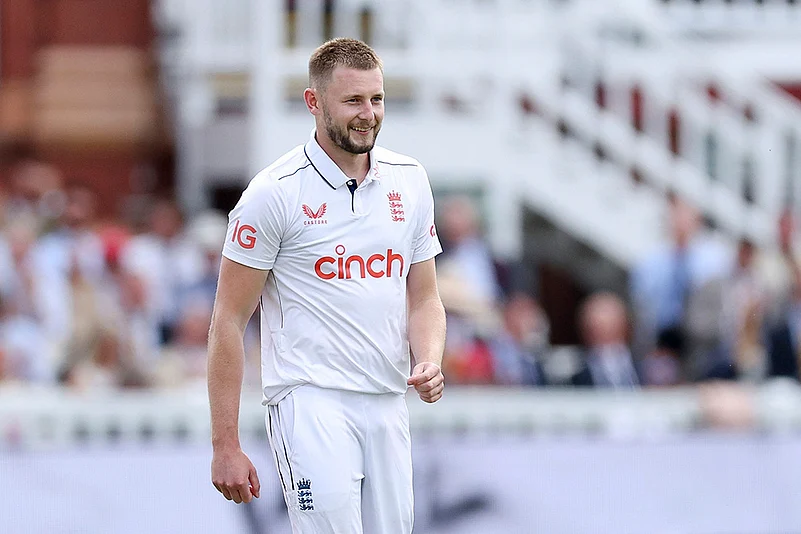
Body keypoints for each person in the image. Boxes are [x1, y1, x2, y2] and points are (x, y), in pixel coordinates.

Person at [207, 38, 446, 534]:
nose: (369, 114)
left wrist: (429, 358)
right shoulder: (273, 194)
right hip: (309, 402)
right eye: (353, 101)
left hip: (386, 399)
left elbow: (424, 296)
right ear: (314, 103)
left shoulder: (410, 179)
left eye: (377, 99)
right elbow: (228, 321)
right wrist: (224, 445)